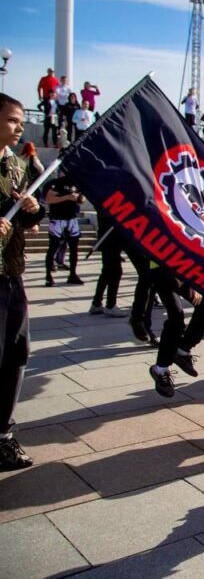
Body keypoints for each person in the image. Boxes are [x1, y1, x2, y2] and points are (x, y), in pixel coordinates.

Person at [0, 93, 46, 470]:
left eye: (19, 121)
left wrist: (33, 210)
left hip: (11, 272)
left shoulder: (15, 165)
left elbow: (26, 219)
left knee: (16, 353)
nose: (19, 127)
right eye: (13, 120)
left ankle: (3, 433)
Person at [42, 167, 85, 286]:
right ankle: (48, 276)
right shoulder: (55, 184)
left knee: (74, 248)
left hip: (72, 218)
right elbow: (49, 199)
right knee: (53, 247)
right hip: (57, 219)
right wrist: (67, 197)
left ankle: (73, 273)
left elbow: (82, 199)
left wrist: (80, 199)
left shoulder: (77, 183)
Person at [89, 210, 129, 317]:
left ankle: (97, 302)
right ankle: (110, 305)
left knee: (106, 273)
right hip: (110, 239)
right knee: (115, 272)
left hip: (109, 239)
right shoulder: (108, 202)